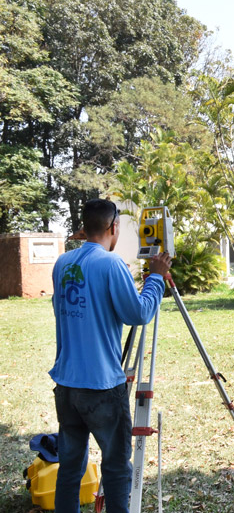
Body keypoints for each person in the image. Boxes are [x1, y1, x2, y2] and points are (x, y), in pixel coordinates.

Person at [50, 199, 172, 513]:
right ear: (113, 227)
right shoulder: (110, 264)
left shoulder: (62, 264)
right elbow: (139, 313)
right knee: (117, 468)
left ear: (83, 226)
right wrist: (156, 276)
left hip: (66, 387)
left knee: (69, 469)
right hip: (102, 388)